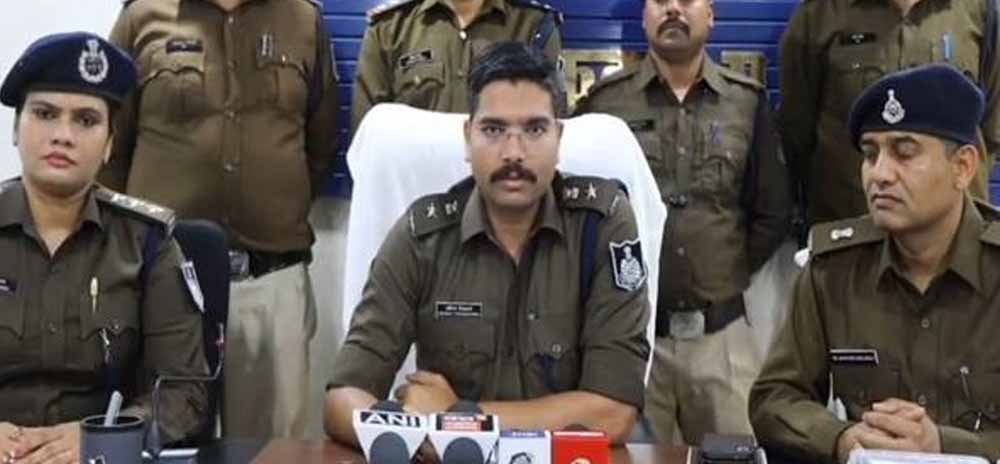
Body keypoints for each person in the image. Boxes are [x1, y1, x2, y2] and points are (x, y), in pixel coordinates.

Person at [325, 42, 650, 446]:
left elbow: (613, 414)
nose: (513, 153)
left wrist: (458, 419)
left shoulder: (602, 225)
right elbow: (343, 397)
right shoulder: (421, 236)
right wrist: (413, 436)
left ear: (558, 138)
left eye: (535, 129)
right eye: (493, 130)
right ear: (468, 138)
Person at [101, 0, 339, 438]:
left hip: (269, 284)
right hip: (164, 288)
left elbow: (320, 142)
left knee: (272, 450)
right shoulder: (142, 17)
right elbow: (110, 143)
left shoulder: (303, 19)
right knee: (160, 438)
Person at [750, 64, 1000, 463]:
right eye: (870, 154)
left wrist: (944, 447)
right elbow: (775, 398)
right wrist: (843, 439)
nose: (879, 174)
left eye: (905, 152)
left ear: (963, 167)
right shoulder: (834, 269)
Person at [575, 0, 790, 445]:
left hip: (722, 339)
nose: (673, 8)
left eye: (688, 0)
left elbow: (772, 212)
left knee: (735, 455)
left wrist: (723, 270)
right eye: (659, 1)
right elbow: (580, 212)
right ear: (643, 17)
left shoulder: (745, 101)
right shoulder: (605, 103)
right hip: (630, 341)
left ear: (710, 15)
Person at [0, 32, 208, 462]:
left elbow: (184, 393)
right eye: (45, 114)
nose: (63, 135)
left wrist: (106, 438)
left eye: (86, 120)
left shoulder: (148, 244)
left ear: (110, 143)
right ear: (16, 129)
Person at [780, 0, 1000, 226]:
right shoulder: (819, 13)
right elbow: (796, 131)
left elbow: (990, 126)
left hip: (954, 227)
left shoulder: (979, 8)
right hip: (851, 224)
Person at [351, 0, 564, 131]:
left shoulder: (533, 26)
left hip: (503, 185)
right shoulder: (389, 29)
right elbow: (366, 134)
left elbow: (550, 127)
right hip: (414, 187)